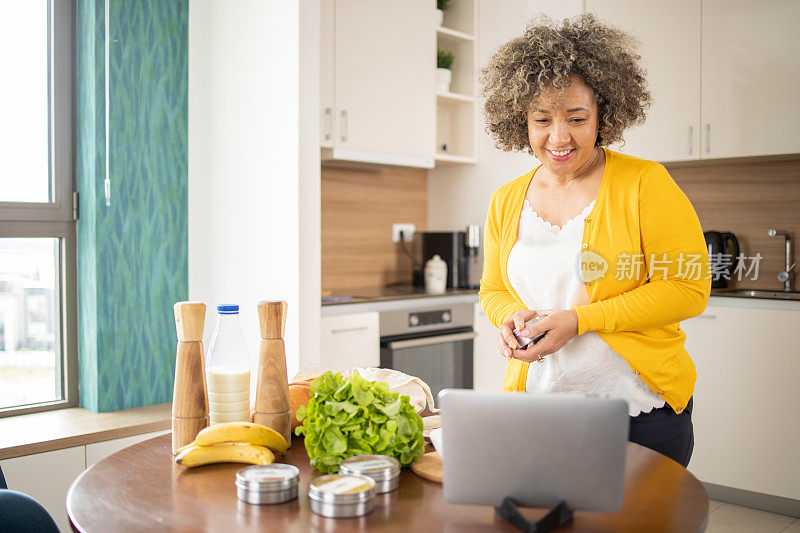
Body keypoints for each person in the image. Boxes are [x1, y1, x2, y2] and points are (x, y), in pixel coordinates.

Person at [478, 14, 710, 468]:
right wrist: (509, 316)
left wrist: (580, 320)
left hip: (638, 411)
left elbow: (688, 287)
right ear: (519, 120)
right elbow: (493, 290)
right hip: (540, 408)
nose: (558, 137)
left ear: (604, 114)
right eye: (541, 119)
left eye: (577, 118)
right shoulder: (506, 200)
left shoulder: (645, 182)